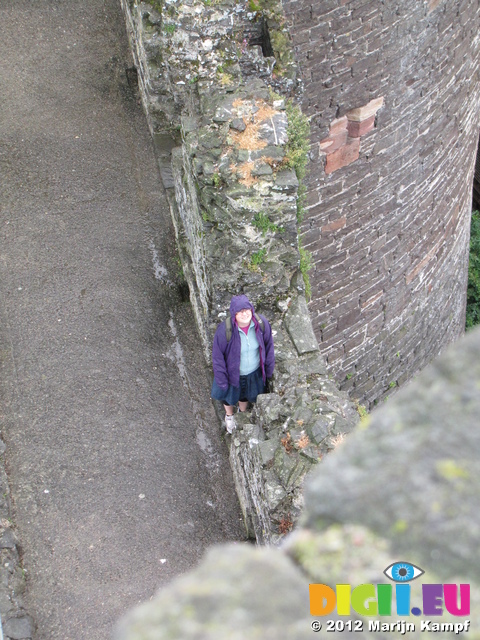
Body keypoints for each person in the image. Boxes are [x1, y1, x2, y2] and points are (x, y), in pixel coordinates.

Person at [211, 294, 275, 433]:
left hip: (253, 373)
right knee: (228, 398)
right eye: (240, 311)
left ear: (251, 309)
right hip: (233, 374)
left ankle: (241, 412)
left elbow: (269, 346)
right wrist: (222, 381)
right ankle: (229, 416)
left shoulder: (261, 323)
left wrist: (269, 369)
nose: (244, 313)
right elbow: (217, 357)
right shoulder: (224, 331)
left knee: (245, 395)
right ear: (234, 314)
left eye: (247, 309)